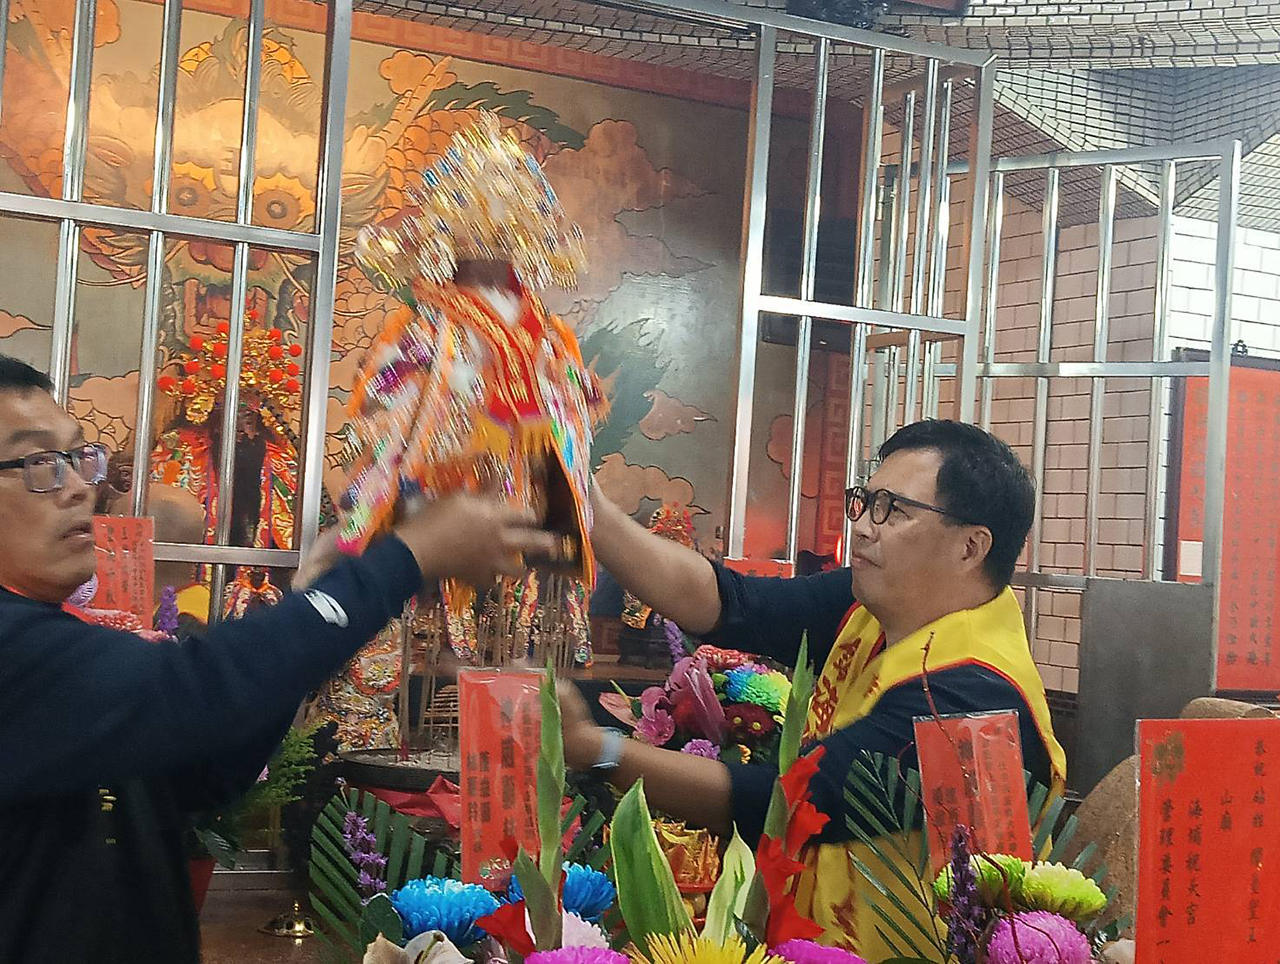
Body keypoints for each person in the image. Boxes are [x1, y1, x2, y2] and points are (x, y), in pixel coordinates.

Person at [0, 354, 557, 964]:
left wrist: (310, 600)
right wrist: (406, 559)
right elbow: (196, 690)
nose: (81, 486)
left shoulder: (53, 634)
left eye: (79, 456)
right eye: (39, 464)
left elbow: (198, 771)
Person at [558, 418, 1067, 955]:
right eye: (866, 502)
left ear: (970, 547)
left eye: (894, 510)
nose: (864, 526)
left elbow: (785, 803)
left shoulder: (973, 695)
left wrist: (595, 748)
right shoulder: (872, 605)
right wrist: (588, 510)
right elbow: (728, 602)